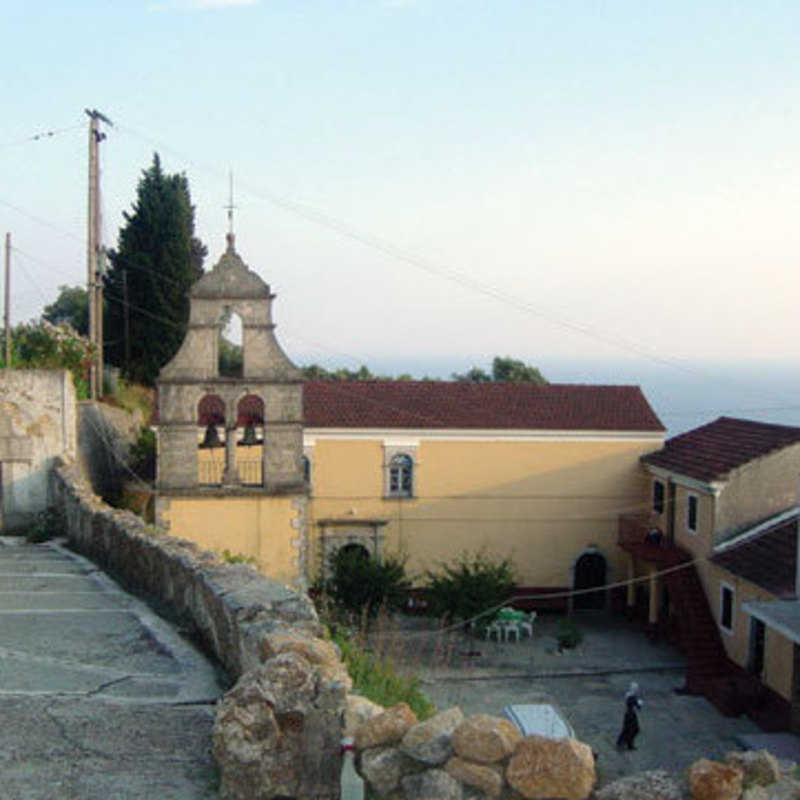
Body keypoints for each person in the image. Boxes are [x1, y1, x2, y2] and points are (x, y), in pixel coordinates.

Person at [616, 682, 643, 750]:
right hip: (630, 715)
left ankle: (625, 743)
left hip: (630, 714)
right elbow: (637, 705)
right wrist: (639, 703)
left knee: (628, 729)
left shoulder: (630, 695)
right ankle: (625, 743)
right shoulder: (631, 697)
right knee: (633, 729)